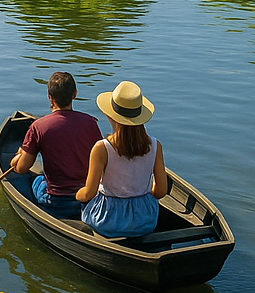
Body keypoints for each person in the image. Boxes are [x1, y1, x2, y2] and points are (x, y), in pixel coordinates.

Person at [76, 80, 168, 238]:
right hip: (145, 220)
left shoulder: (101, 148)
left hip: (107, 221)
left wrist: (77, 194)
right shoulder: (155, 145)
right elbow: (160, 191)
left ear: (110, 115)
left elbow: (89, 193)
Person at [10, 71, 102, 218]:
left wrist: (16, 158)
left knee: (35, 179)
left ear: (50, 98)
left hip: (55, 201)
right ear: (74, 94)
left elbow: (21, 168)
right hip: (86, 198)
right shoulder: (91, 123)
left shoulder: (38, 127)